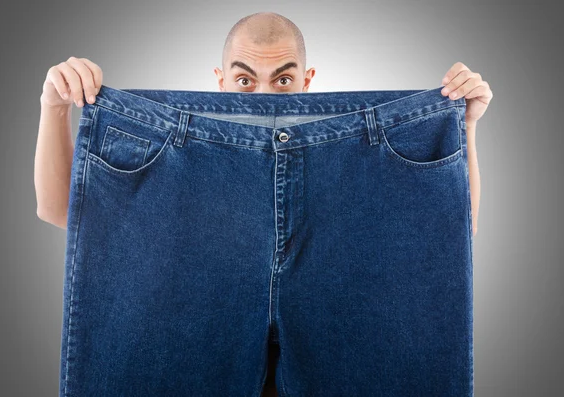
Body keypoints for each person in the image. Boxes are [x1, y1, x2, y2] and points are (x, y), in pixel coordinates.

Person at [34, 11, 492, 397]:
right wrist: (54, 108)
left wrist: (462, 127)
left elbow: (448, 229)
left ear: (308, 82)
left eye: (284, 78)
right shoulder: (184, 162)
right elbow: (62, 212)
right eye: (245, 79)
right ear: (220, 80)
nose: (266, 94)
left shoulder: (351, 162)